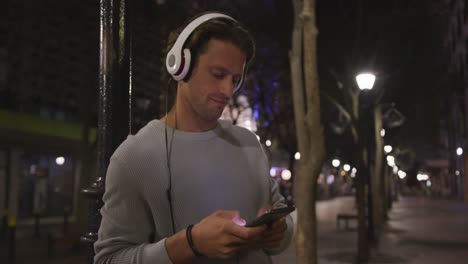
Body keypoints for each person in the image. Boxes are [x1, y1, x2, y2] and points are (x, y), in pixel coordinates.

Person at [94, 12, 294, 264]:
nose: (228, 90)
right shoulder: (135, 156)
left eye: (235, 79)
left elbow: (281, 221)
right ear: (181, 66)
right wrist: (189, 243)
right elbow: (109, 259)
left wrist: (278, 231)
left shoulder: (249, 143)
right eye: (218, 74)